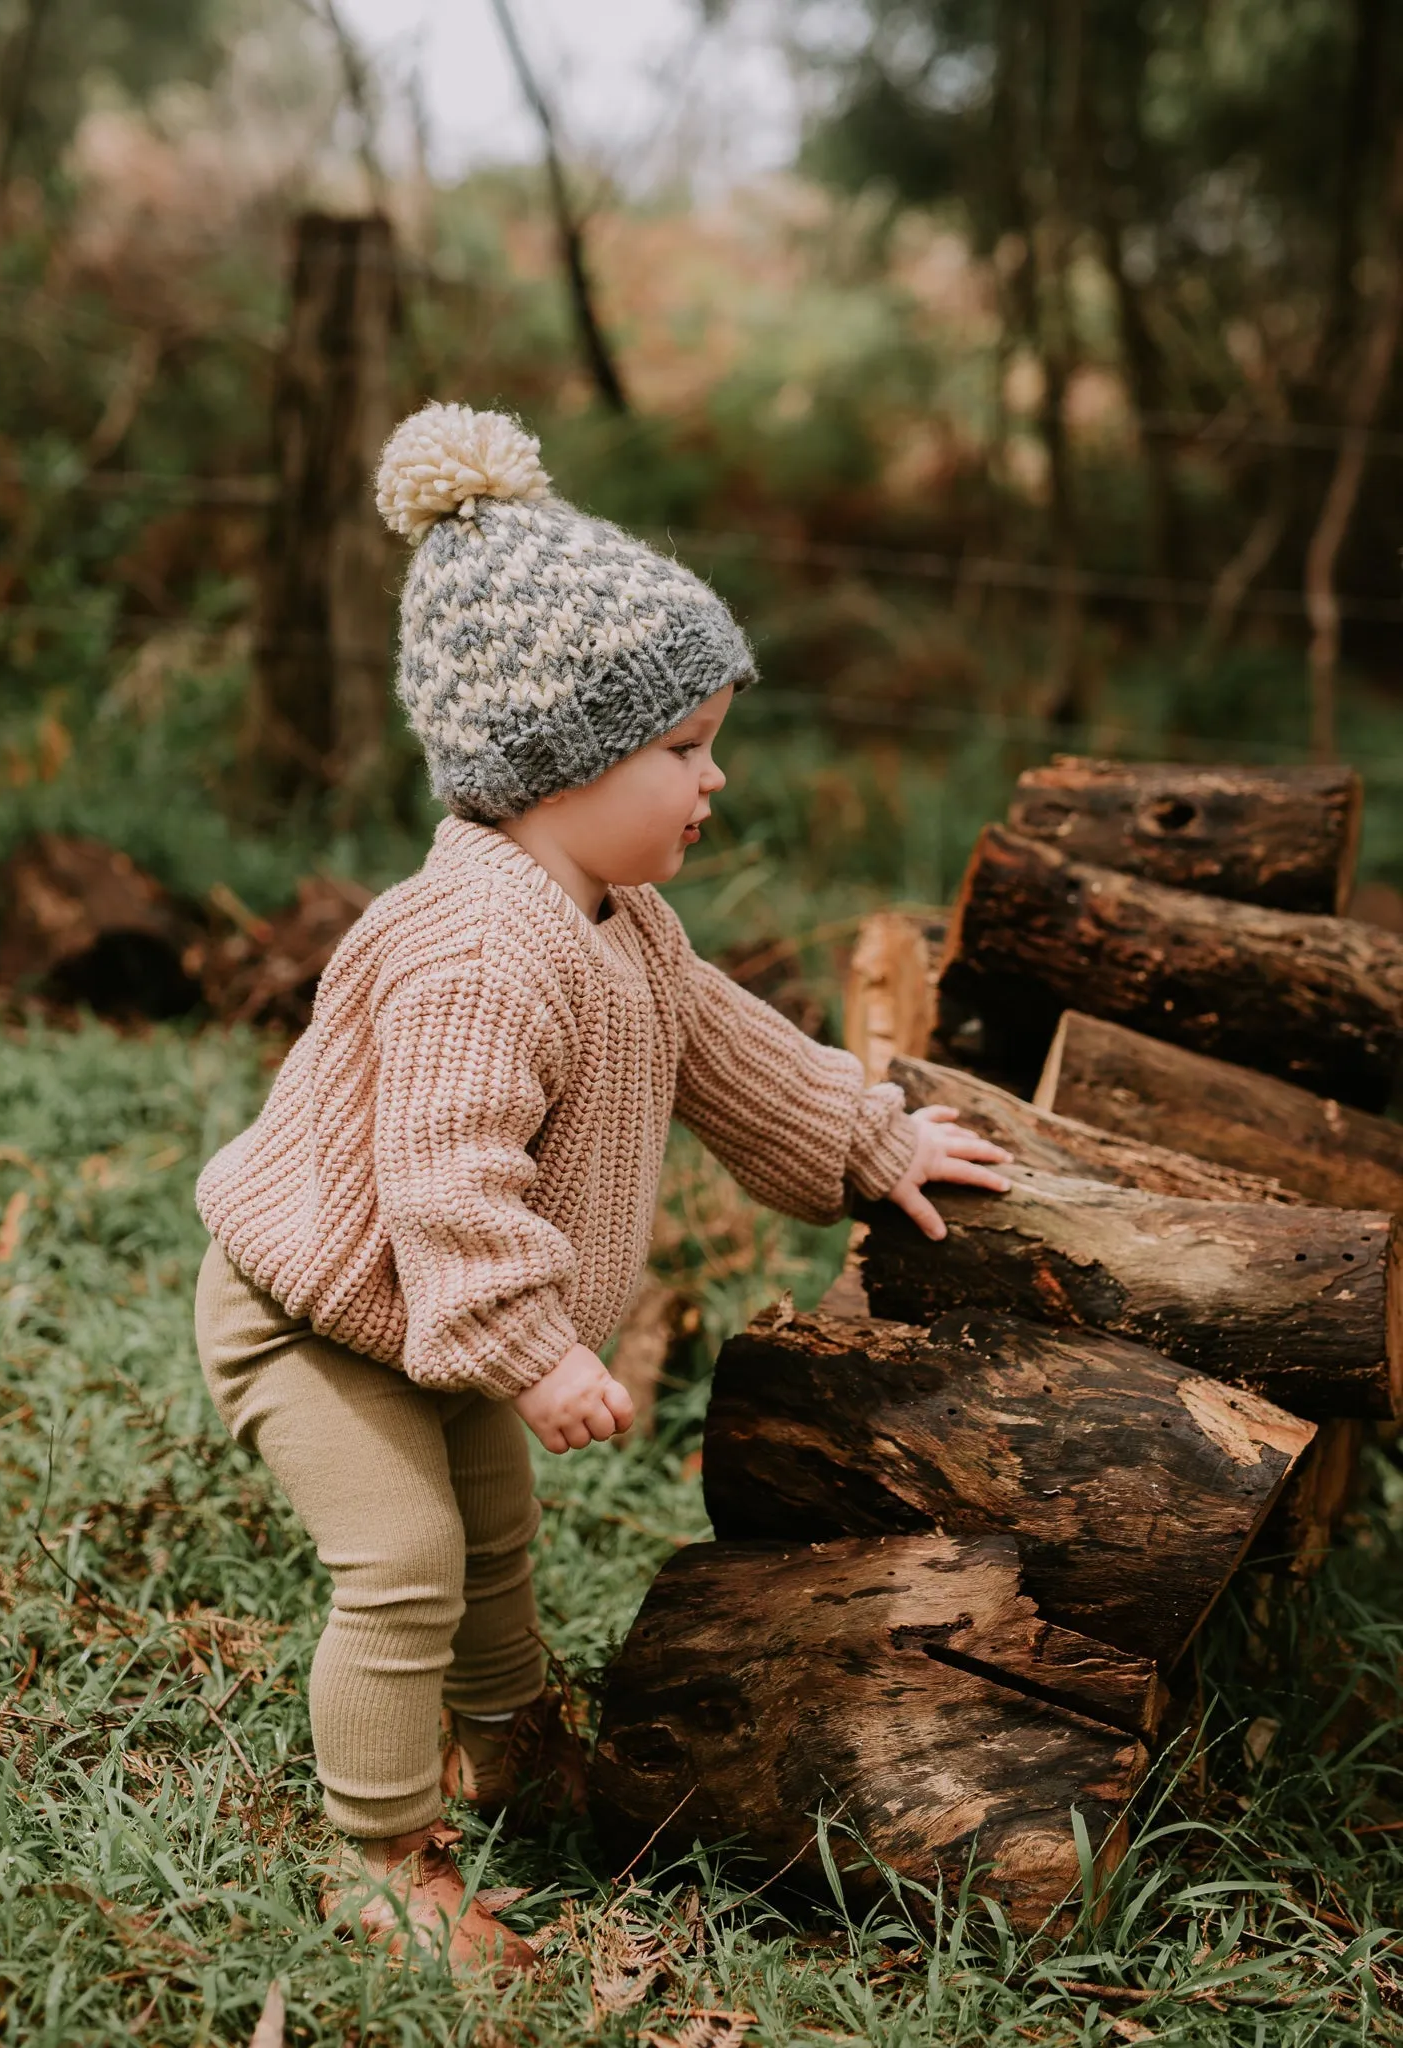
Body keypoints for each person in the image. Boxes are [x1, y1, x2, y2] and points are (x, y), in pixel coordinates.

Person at [192, 402, 1011, 1973]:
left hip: (423, 1317)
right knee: (407, 1562)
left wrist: (870, 1140)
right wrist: (539, 1345)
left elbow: (732, 1052)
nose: (714, 783)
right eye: (683, 751)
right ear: (555, 763)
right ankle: (380, 1858)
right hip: (306, 1313)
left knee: (496, 1532)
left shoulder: (622, 919)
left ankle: (510, 1751)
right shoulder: (475, 947)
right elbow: (444, 1184)